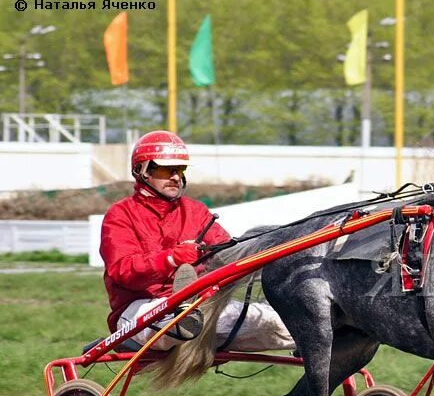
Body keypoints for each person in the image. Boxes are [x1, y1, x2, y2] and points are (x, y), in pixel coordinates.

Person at [99, 130, 294, 352]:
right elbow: (122, 270)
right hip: (140, 309)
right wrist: (171, 258)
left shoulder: (196, 211)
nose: (175, 176)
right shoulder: (120, 214)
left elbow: (226, 252)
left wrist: (265, 252)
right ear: (141, 171)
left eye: (179, 169)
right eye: (165, 169)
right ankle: (183, 315)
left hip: (202, 306)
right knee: (178, 321)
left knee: (287, 324)